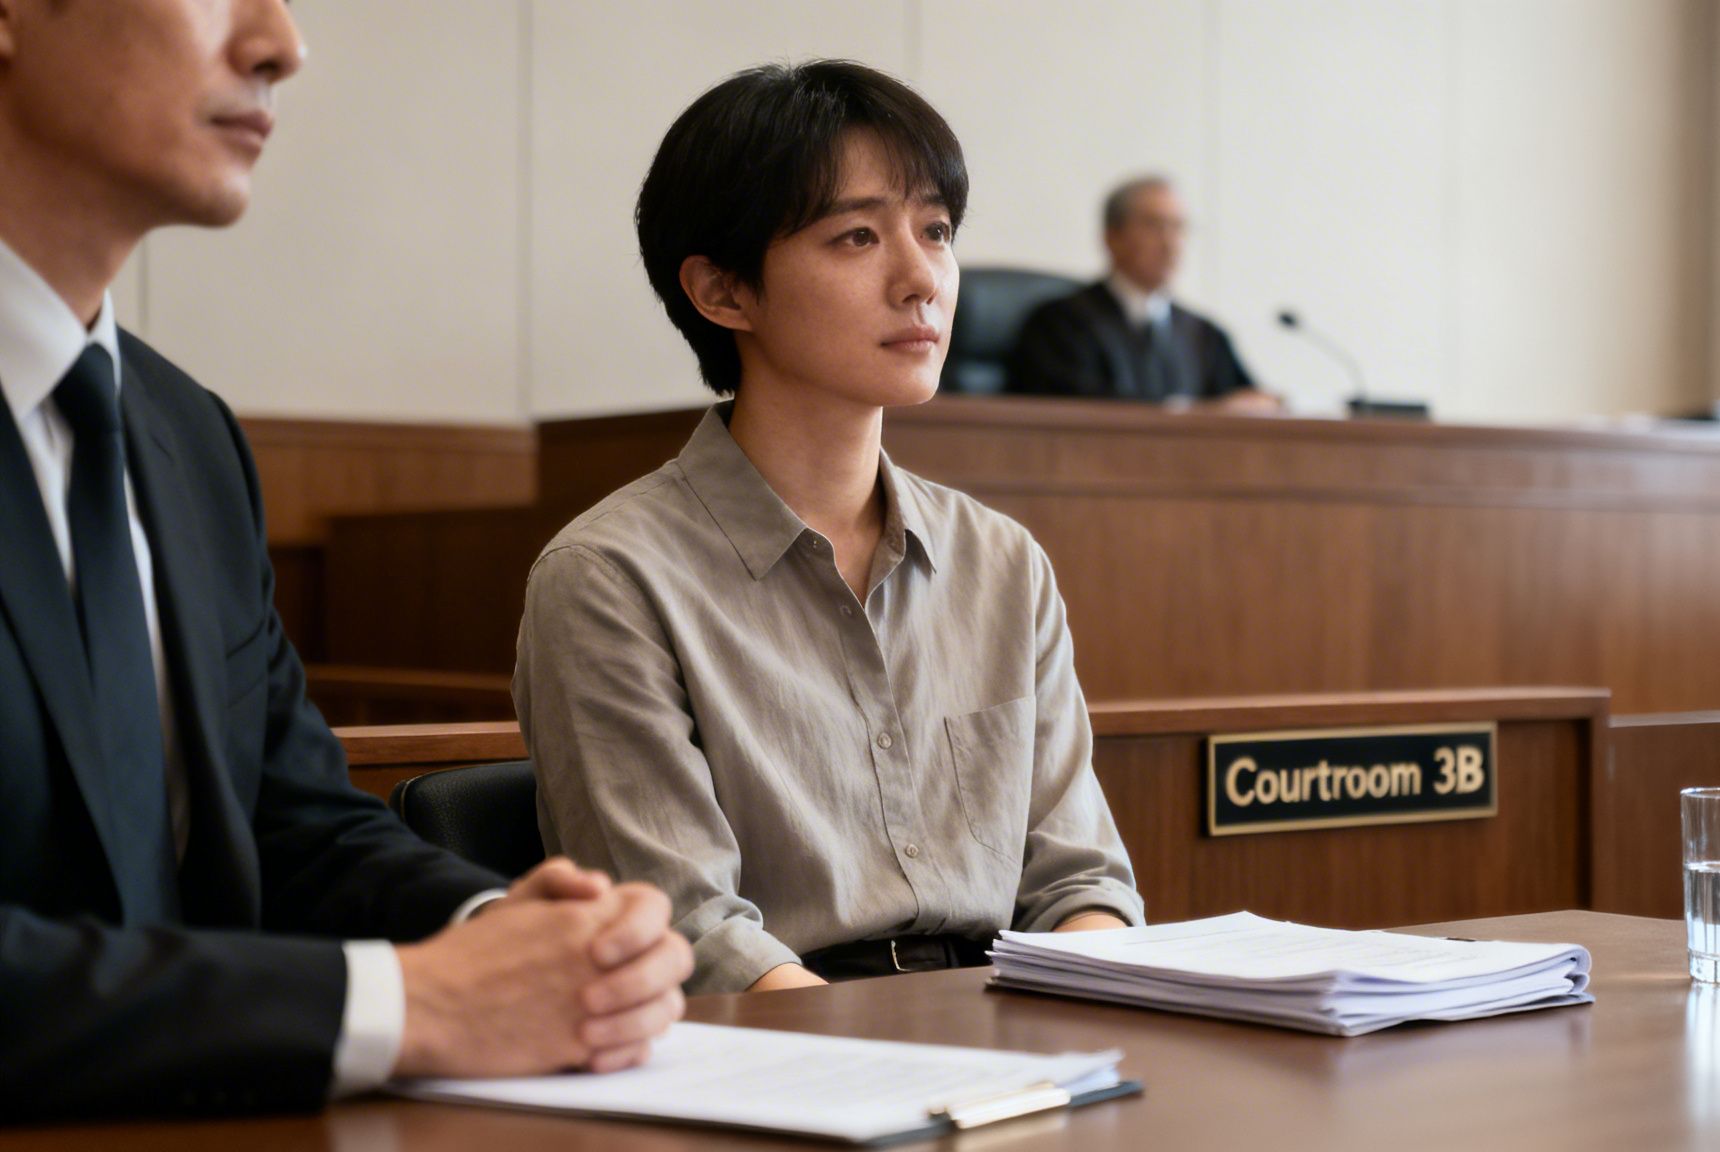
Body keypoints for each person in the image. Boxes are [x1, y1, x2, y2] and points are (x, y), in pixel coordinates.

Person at [0, 0, 692, 1120]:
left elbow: (295, 822)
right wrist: (400, 1003)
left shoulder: (187, 435)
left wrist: (507, 939)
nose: (282, 43)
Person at [514, 60, 1144, 997]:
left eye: (935, 230)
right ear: (725, 293)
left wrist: (1087, 1017)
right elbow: (690, 931)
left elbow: (1079, 881)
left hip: (1010, 1030)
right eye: (857, 236)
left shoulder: (1000, 561)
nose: (921, 275)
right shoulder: (610, 576)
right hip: (779, 1055)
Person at [1007, 176, 1280, 410]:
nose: (1170, 244)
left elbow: (1250, 400)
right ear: (1112, 237)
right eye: (1154, 225)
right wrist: (1193, 413)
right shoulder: (1060, 325)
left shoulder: (1203, 334)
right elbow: (1076, 410)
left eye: (1178, 227)